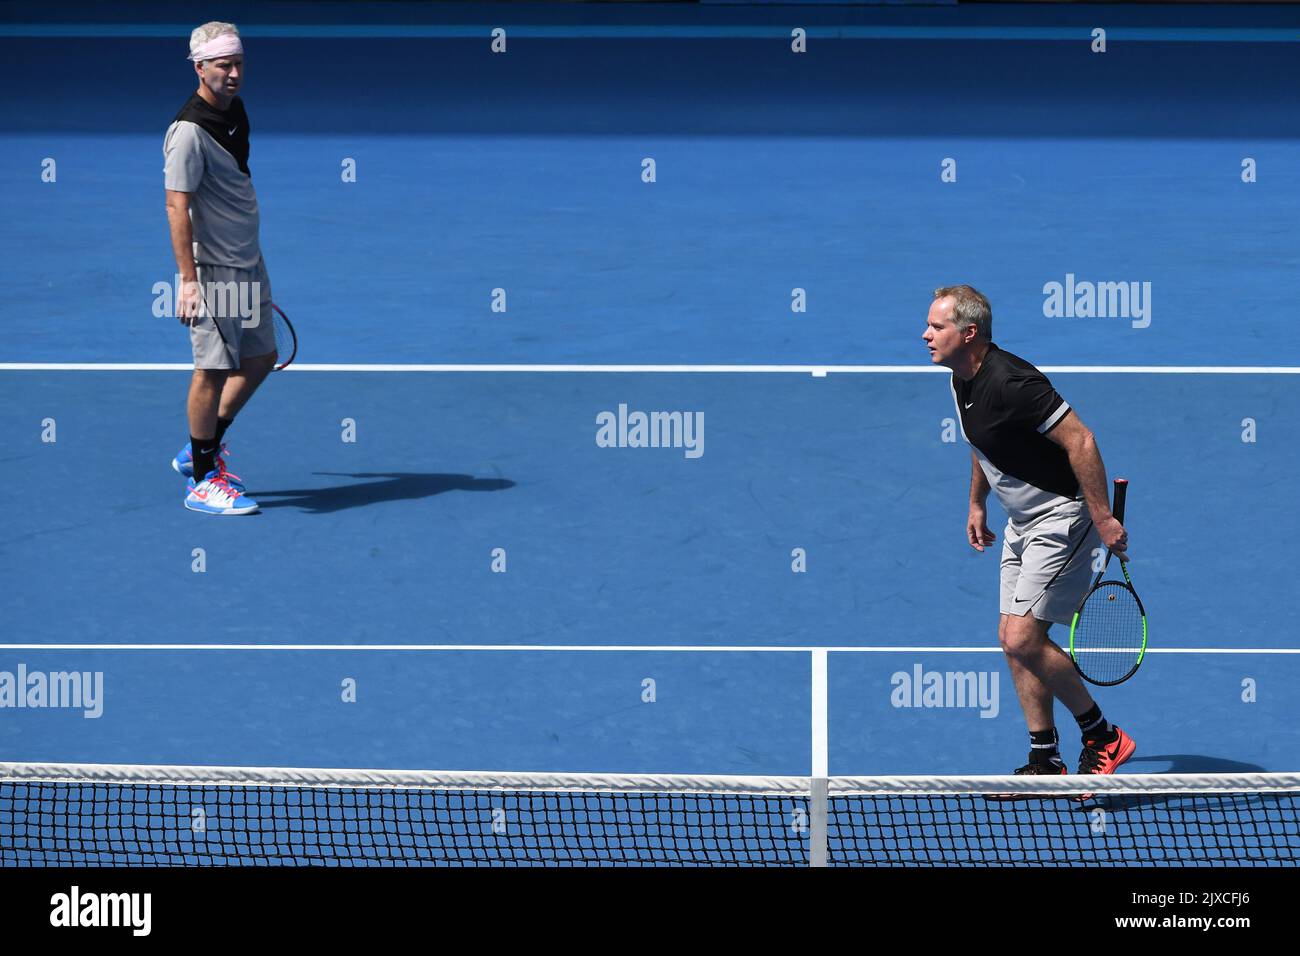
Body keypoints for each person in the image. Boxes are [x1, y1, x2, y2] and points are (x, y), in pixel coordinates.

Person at [923, 285, 1136, 777]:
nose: (925, 335)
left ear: (969, 333)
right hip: (1021, 520)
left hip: (1062, 516)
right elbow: (984, 443)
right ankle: (1044, 756)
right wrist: (977, 501)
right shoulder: (960, 376)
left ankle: (1104, 736)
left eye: (937, 327)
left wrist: (1102, 517)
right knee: (1010, 636)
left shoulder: (1014, 382)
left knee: (1023, 638)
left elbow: (1081, 438)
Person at [163, 21, 271, 515]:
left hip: (248, 262)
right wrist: (188, 281)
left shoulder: (235, 112)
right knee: (210, 369)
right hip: (214, 272)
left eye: (239, 63)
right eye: (223, 65)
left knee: (260, 358)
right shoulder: (187, 133)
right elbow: (176, 207)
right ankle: (203, 481)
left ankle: (202, 446)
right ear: (199, 67)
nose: (233, 73)